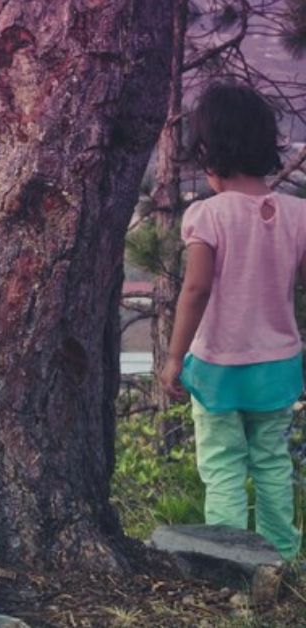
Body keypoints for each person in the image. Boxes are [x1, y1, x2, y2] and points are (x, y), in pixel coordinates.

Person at [159, 82, 303, 560]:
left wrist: (174, 357)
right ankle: (281, 554)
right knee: (272, 462)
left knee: (222, 465)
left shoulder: (208, 215)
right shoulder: (299, 215)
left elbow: (196, 290)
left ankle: (231, 559)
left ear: (209, 152)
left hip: (218, 363)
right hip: (279, 362)